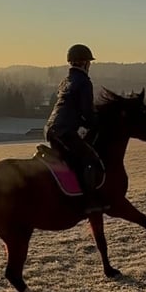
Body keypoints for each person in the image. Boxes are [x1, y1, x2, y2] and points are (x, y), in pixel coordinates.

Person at [44, 44, 106, 213]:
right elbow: (86, 111)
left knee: (68, 160)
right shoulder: (84, 82)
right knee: (89, 159)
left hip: (51, 129)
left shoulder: (66, 81)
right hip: (65, 131)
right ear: (85, 63)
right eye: (89, 62)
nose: (90, 65)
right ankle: (90, 202)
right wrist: (96, 124)